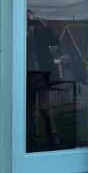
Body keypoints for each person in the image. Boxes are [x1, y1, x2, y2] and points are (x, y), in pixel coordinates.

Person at [26, 9, 60, 148]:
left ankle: (53, 137)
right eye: (27, 20)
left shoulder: (40, 34)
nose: (29, 23)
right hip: (26, 75)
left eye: (31, 20)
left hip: (42, 75)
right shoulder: (18, 35)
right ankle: (33, 140)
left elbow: (55, 41)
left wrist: (46, 27)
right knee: (29, 110)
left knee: (44, 107)